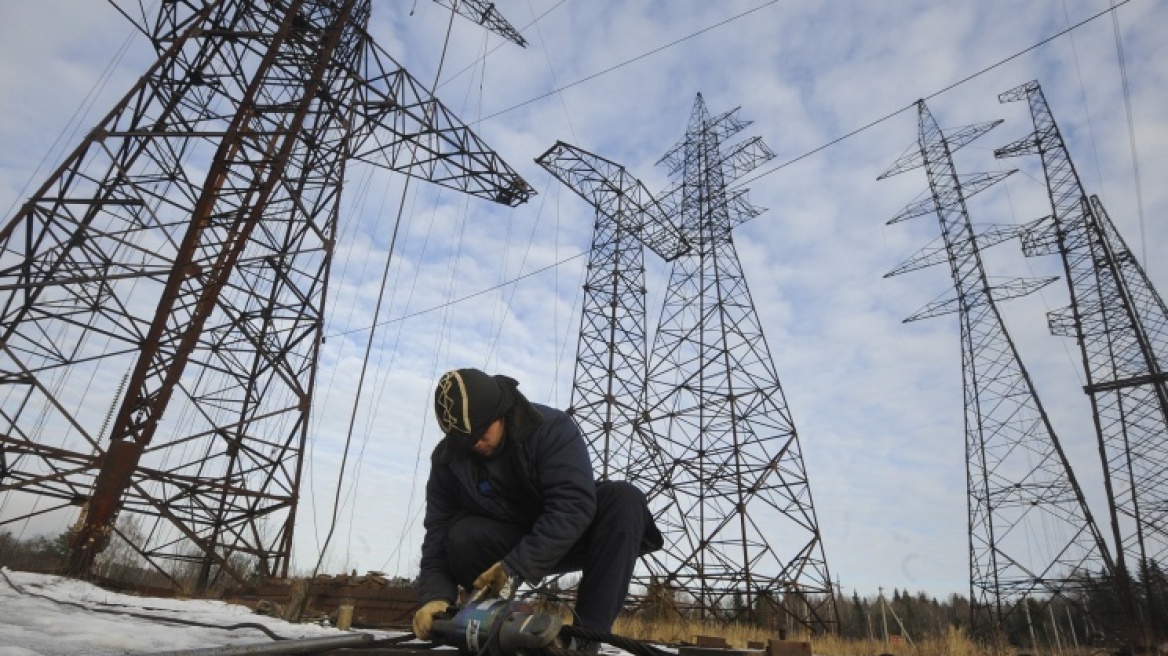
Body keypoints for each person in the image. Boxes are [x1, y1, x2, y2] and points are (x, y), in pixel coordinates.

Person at [412, 368, 663, 646]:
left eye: (482, 432)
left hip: (570, 534)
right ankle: (485, 626)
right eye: (466, 440)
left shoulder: (551, 428)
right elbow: (437, 533)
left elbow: (573, 506)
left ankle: (585, 640)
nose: (476, 444)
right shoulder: (448, 461)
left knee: (625, 500)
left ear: (501, 412)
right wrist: (435, 597)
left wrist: (516, 565)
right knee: (459, 535)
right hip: (505, 540)